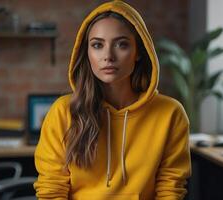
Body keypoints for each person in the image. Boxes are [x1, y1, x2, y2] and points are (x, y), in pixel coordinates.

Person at [34, 1, 191, 199]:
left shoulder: (170, 113)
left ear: (138, 53)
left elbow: (170, 189)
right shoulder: (63, 111)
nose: (108, 56)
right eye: (97, 45)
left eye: (121, 44)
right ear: (87, 53)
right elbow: (51, 190)